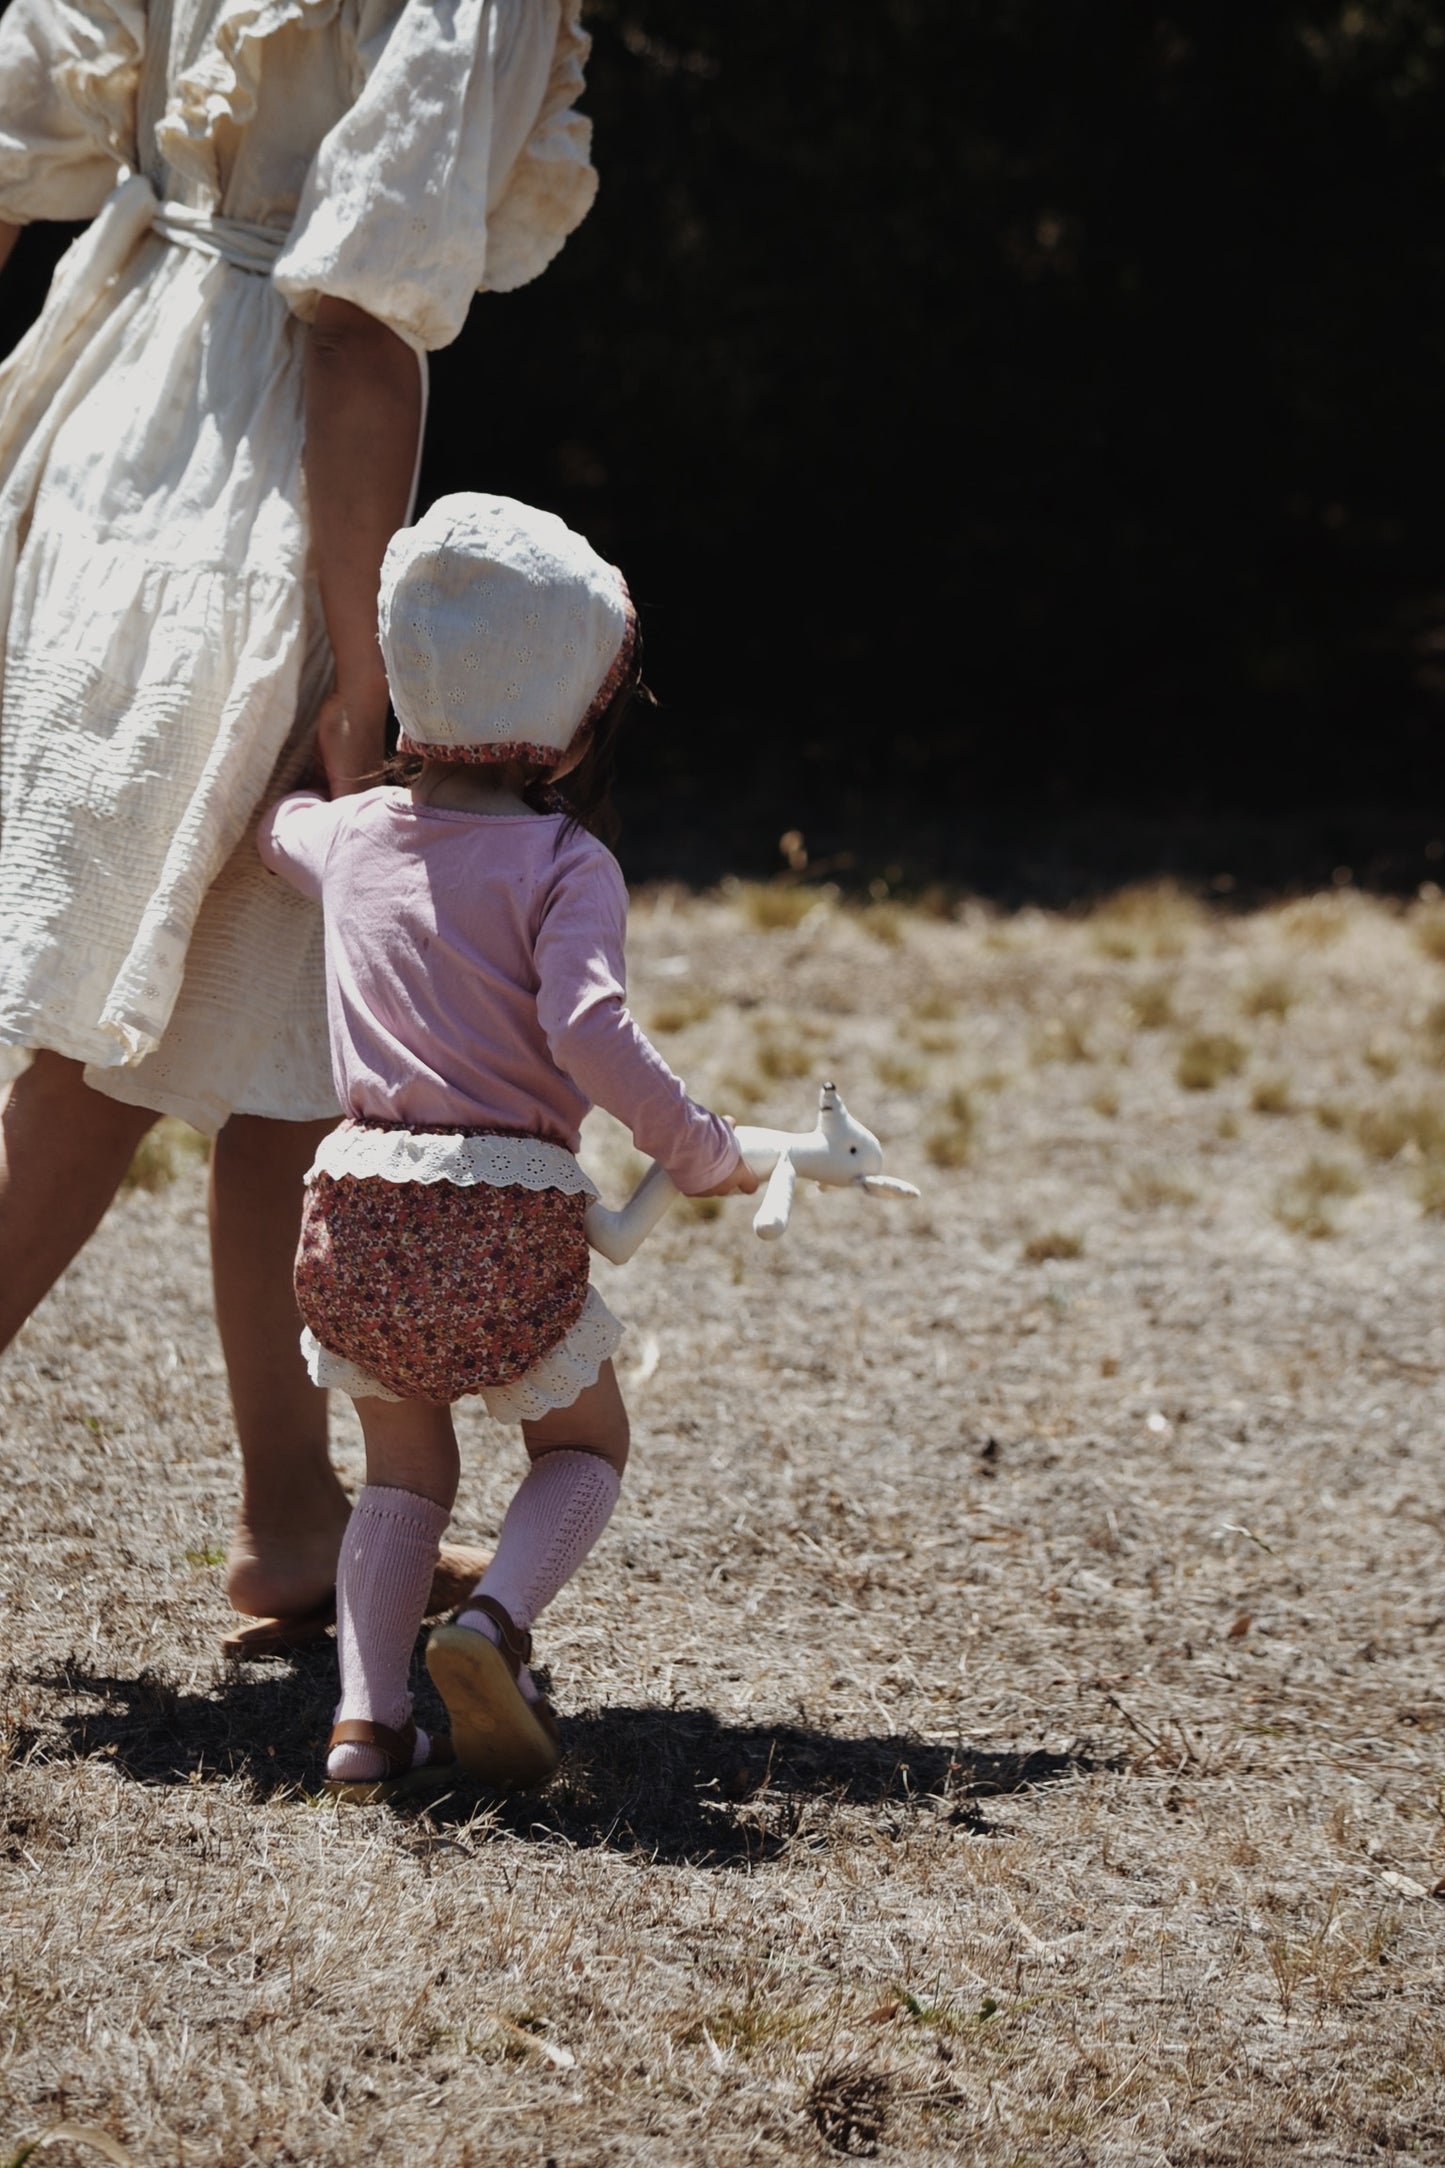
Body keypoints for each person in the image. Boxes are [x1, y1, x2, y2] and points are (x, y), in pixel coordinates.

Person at [0, 0, 598, 1652]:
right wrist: (365, 670)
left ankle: (292, 1515)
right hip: (263, 512)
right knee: (108, 1041)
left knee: (283, 1028)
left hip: (105, 430)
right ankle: (291, 1513)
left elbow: (20, 121)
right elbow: (352, 309)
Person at [256, 494, 758, 1798]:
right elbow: (587, 1029)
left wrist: (327, 752)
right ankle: (492, 1627)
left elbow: (279, 831)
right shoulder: (563, 862)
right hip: (501, 1212)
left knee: (402, 1478)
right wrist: (696, 1147)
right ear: (577, 710)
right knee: (582, 1447)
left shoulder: (356, 835)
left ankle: (365, 1726)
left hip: (354, 1211)